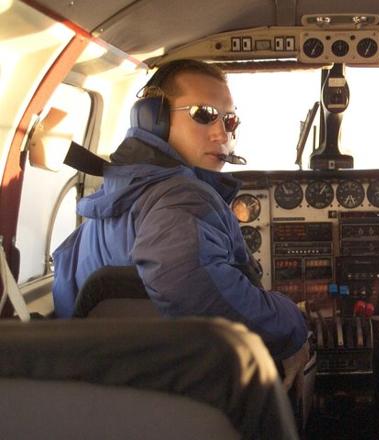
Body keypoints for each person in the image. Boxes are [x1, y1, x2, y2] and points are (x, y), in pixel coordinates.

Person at [52, 59, 308, 388]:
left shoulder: (118, 195)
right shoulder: (183, 199)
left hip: (111, 387)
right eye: (203, 114)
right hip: (188, 389)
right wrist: (292, 323)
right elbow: (194, 289)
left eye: (229, 120)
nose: (221, 133)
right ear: (152, 119)